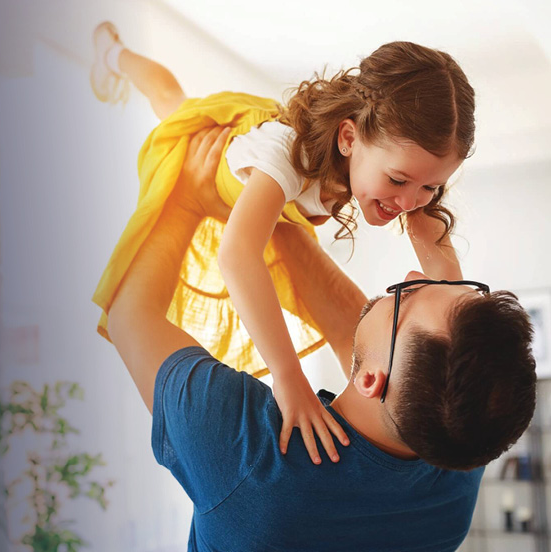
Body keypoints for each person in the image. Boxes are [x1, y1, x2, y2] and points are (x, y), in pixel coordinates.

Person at [106, 127, 537, 551]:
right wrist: (273, 191)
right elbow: (364, 331)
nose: (409, 276)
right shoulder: (457, 459)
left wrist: (187, 197)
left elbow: (129, 317)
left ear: (371, 380)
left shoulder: (249, 454)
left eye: (405, 299)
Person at [91, 22, 476, 462]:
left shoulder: (396, 174)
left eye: (430, 188)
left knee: (170, 98)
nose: (410, 202)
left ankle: (116, 56)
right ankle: (114, 54)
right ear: (349, 138)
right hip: (204, 159)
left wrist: (434, 241)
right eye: (399, 180)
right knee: (170, 101)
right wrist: (288, 376)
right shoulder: (287, 157)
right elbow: (236, 255)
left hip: (271, 174)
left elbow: (447, 307)